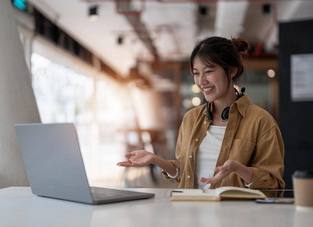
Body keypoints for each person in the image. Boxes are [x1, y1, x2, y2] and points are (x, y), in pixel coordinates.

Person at [117, 36, 285, 190]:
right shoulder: (191, 119)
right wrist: (156, 160)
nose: (201, 81)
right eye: (196, 73)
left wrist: (240, 170)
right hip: (190, 215)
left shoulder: (261, 121)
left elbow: (274, 186)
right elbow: (185, 173)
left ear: (232, 70)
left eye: (209, 71)